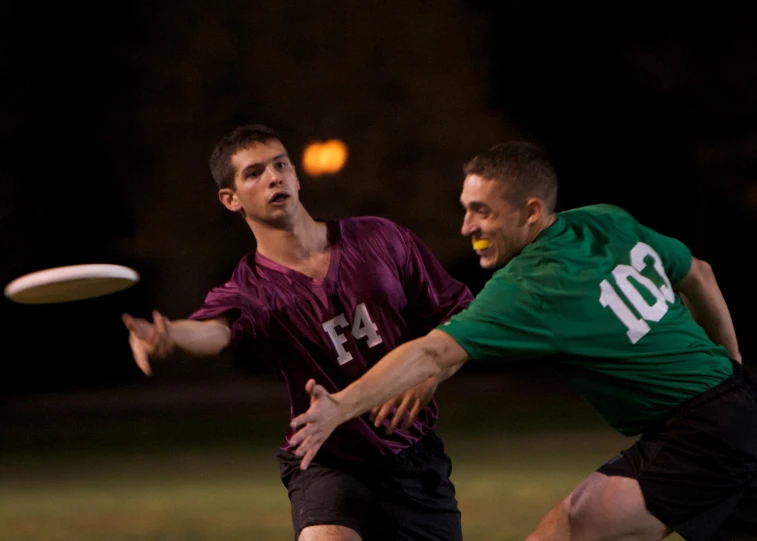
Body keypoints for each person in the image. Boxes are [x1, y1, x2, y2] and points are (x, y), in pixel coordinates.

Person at [289, 141, 757, 541]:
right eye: (465, 208)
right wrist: (734, 373)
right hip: (733, 412)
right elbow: (700, 273)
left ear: (530, 211)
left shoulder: (530, 284)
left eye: (482, 212)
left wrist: (341, 405)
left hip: (698, 437)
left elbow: (432, 349)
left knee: (565, 529)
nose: (466, 228)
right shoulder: (605, 220)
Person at [121, 123, 473, 541]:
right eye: (254, 173)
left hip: (415, 459)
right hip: (329, 458)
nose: (274, 177)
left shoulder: (380, 237)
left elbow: (463, 314)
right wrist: (171, 335)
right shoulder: (251, 287)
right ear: (230, 199)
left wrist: (432, 371)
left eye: (280, 164)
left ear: (296, 175)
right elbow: (214, 330)